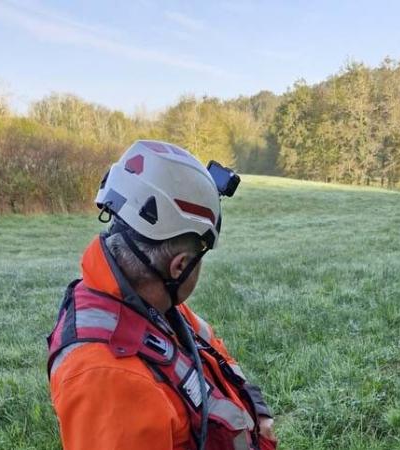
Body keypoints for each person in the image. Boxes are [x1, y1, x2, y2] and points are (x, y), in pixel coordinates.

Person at [46, 140, 276, 450]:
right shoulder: (108, 378)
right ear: (180, 266)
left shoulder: (150, 301)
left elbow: (213, 352)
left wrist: (257, 410)